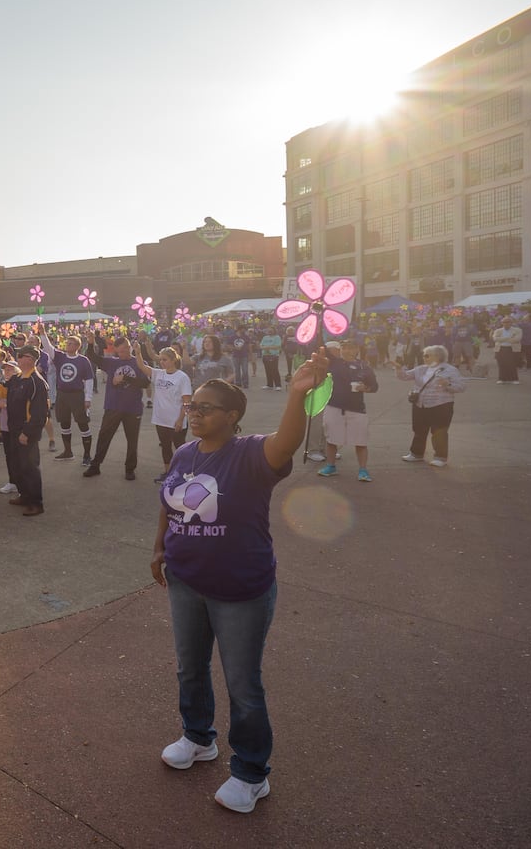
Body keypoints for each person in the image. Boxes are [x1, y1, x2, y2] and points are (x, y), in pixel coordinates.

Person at [150, 347, 329, 814]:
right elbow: (169, 502)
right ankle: (198, 737)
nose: (194, 413)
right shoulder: (186, 452)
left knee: (243, 684)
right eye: (193, 407)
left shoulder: (250, 453)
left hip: (240, 590)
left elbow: (287, 442)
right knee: (189, 668)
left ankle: (251, 773)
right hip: (186, 580)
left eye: (205, 408)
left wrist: (296, 395)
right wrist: (159, 547)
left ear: (232, 417)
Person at [85, 333, 148, 481]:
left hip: (133, 408)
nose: (122, 354)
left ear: (130, 347)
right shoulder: (112, 362)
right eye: (119, 352)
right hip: (113, 407)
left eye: (125, 350)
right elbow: (92, 357)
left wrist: (124, 378)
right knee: (104, 437)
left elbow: (145, 383)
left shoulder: (138, 362)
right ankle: (95, 466)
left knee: (132, 440)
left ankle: (130, 469)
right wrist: (90, 342)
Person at [396, 346, 468, 467]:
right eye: (424, 355)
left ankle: (440, 457)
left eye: (427, 355)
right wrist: (398, 369)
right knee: (419, 429)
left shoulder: (450, 370)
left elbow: (461, 386)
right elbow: (404, 376)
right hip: (420, 403)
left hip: (441, 404)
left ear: (438, 356)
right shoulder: (421, 368)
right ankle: (416, 454)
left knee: (439, 431)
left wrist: (448, 384)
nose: (424, 357)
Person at [318, 340, 379, 481]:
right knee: (332, 439)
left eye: (350, 348)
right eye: (344, 347)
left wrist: (366, 388)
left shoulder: (364, 366)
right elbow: (321, 344)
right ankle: (331, 466)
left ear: (357, 349)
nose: (347, 351)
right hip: (334, 406)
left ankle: (363, 470)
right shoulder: (333, 362)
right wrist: (320, 322)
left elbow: (374, 386)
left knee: (361, 441)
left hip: (357, 408)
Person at [39, 328, 96, 465]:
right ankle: (67, 451)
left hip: (77, 396)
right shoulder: (60, 357)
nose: (67, 345)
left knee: (83, 424)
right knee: (64, 423)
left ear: (77, 346)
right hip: (62, 395)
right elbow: (48, 347)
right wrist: (42, 333)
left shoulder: (83, 361)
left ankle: (87, 455)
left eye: (71, 343)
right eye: (67, 343)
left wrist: (88, 398)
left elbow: (89, 380)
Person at [137, 347, 193, 481]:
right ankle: (168, 473)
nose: (162, 362)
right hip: (160, 419)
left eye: (165, 359)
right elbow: (142, 366)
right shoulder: (158, 373)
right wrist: (138, 352)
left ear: (174, 360)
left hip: (175, 420)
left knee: (180, 448)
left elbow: (187, 402)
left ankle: (186, 474)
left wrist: (180, 419)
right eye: (160, 359)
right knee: (165, 447)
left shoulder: (182, 377)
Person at [4, 345, 48, 516]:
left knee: (29, 467)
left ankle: (36, 503)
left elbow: (39, 413)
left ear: (31, 359)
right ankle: (24, 495)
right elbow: (2, 391)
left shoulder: (36, 382)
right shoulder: (18, 378)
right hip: (13, 429)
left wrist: (27, 433)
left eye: (22, 355)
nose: (19, 358)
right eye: (18, 355)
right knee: (17, 466)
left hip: (26, 432)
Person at [491, 318, 523, 384]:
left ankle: (515, 379)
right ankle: (501, 379)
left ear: (511, 323)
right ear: (502, 323)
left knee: (512, 364)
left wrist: (501, 339)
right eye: (504, 322)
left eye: (508, 322)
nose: (506, 323)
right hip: (500, 349)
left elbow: (517, 339)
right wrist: (508, 338)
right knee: (501, 364)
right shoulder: (498, 330)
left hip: (512, 349)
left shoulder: (518, 330)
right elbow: (495, 339)